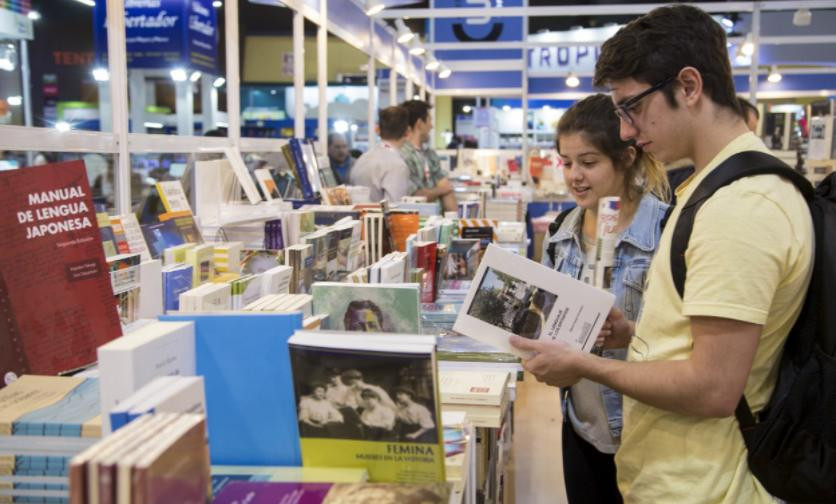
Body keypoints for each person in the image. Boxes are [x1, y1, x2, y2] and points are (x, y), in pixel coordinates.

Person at [511, 5, 813, 503]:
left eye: (631, 106)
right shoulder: (710, 189)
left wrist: (584, 365)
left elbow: (713, 387)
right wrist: (635, 335)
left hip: (706, 486)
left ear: (689, 86)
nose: (626, 129)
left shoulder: (741, 206)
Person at [539, 93, 670, 503]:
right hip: (581, 425)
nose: (575, 175)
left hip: (649, 434)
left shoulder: (667, 232)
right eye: (566, 162)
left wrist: (630, 332)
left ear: (627, 157)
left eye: (589, 162)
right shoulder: (561, 234)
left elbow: (684, 343)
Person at [399, 100, 457, 212]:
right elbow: (416, 197)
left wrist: (455, 222)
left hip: (438, 222)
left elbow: (447, 189)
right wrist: (440, 190)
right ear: (420, 124)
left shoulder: (430, 155)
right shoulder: (403, 156)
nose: (432, 126)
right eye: (430, 120)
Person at [349, 106, 411, 202]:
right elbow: (395, 209)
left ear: (377, 130)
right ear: (407, 132)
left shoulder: (362, 159)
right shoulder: (397, 166)